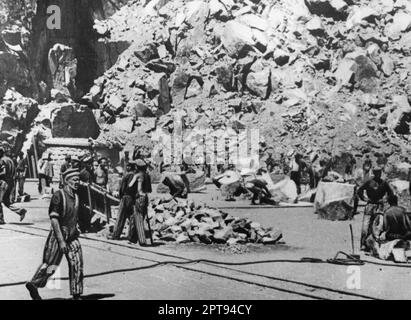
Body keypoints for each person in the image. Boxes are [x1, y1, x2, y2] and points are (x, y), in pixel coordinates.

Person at [25, 168, 84, 300]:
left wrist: (77, 227)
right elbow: (54, 219)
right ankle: (34, 284)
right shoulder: (59, 195)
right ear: (67, 181)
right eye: (75, 180)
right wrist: (61, 240)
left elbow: (75, 215)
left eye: (78, 179)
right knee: (51, 265)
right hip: (59, 235)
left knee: (77, 263)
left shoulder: (76, 197)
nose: (77, 182)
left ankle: (76, 294)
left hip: (72, 234)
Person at [357, 166, 394, 251]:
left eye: (379, 172)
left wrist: (385, 200)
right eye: (376, 172)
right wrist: (364, 199)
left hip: (380, 206)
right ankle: (363, 244)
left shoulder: (384, 183)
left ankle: (376, 245)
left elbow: (391, 194)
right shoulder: (369, 182)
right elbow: (359, 191)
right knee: (365, 226)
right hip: (370, 205)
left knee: (378, 226)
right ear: (374, 173)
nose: (378, 174)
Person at [367, 195, 411, 262]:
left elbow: (385, 227)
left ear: (389, 202)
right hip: (404, 235)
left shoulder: (387, 212)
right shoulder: (402, 210)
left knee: (382, 237)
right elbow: (408, 224)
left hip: (392, 236)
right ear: (396, 201)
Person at [110, 161, 138, 240]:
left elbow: (122, 189)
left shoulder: (126, 176)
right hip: (132, 198)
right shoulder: (136, 176)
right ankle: (132, 236)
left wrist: (121, 196)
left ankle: (116, 235)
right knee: (132, 217)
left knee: (121, 217)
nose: (127, 167)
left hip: (125, 197)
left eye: (128, 166)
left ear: (130, 167)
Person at [128, 159, 152, 245]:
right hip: (146, 197)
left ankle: (142, 240)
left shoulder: (137, 175)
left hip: (139, 197)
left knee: (138, 218)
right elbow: (149, 190)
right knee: (141, 217)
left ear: (137, 167)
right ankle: (132, 239)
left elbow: (130, 185)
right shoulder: (147, 176)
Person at [0, 148, 26, 224]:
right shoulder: (10, 160)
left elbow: (3, 172)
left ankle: (0, 219)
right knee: (6, 201)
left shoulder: (2, 160)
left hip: (3, 182)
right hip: (11, 182)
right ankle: (20, 211)